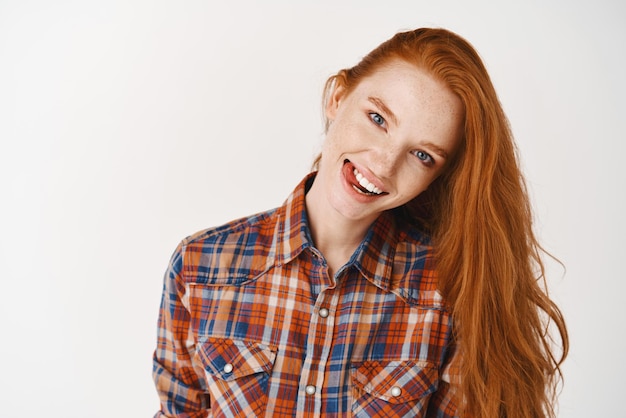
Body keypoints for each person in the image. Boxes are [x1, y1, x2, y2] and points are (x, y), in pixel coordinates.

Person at [152, 27, 569, 417]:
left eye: (422, 155)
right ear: (337, 97)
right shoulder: (200, 266)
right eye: (378, 119)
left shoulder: (451, 293)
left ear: (436, 178)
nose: (384, 164)